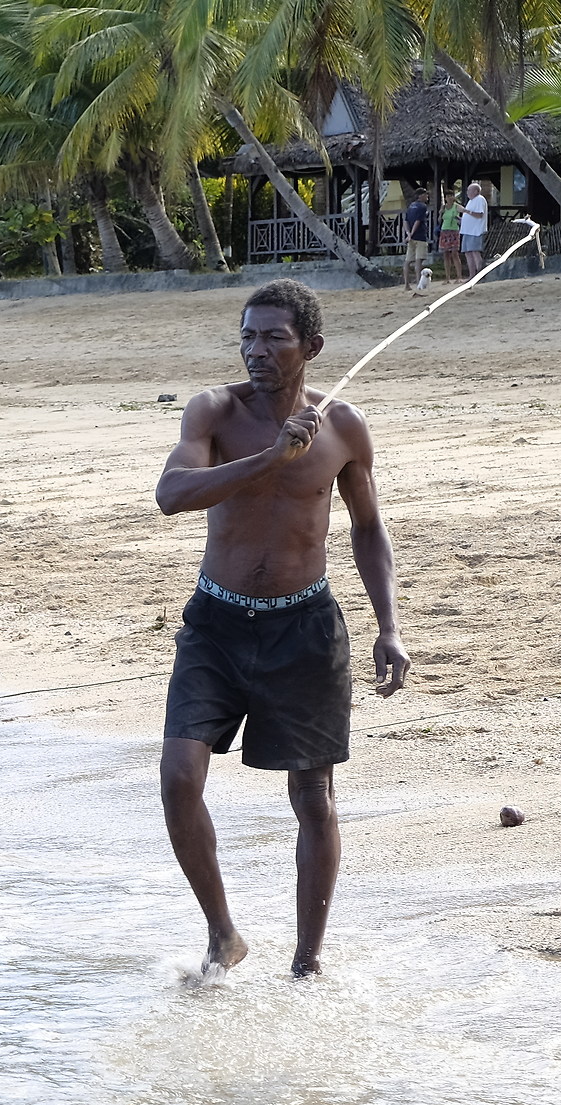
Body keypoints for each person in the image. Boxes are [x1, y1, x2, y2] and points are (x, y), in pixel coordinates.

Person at [154, 278, 410, 979]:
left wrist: (390, 626)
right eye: (247, 336)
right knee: (179, 777)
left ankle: (307, 962)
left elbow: (368, 530)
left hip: (305, 629)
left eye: (273, 338)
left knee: (313, 797)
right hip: (216, 626)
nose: (256, 351)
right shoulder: (214, 411)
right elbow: (171, 495)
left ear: (311, 347)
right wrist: (269, 458)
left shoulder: (344, 427)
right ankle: (222, 935)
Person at [401, 190, 435, 290]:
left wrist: (408, 233)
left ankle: (406, 284)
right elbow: (418, 221)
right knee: (418, 261)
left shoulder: (411, 206)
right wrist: (412, 233)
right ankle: (418, 284)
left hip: (411, 238)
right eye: (425, 194)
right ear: (420, 196)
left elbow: (405, 220)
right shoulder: (422, 206)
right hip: (420, 236)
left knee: (408, 261)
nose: (427, 196)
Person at [459, 180, 490, 276]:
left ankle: (480, 275)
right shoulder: (471, 201)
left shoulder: (480, 199)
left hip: (475, 231)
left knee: (475, 252)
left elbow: (479, 214)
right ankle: (472, 276)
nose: (467, 192)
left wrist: (466, 211)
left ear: (476, 191)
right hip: (467, 231)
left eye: (469, 190)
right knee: (468, 253)